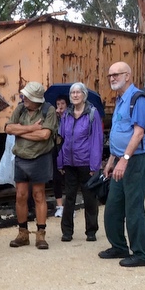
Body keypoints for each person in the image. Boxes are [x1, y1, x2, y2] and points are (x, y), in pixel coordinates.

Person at [99, 61, 145, 267]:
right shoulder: (120, 100)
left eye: (116, 74)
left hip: (136, 160)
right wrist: (112, 160)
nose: (112, 78)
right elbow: (118, 133)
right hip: (121, 160)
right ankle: (119, 246)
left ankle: (141, 254)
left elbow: (138, 133)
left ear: (128, 76)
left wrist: (125, 159)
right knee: (113, 206)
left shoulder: (137, 99)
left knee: (133, 207)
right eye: (110, 75)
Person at [5, 81, 58, 250]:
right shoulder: (20, 108)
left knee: (38, 194)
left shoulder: (48, 110)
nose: (24, 98)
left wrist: (20, 130)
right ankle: (23, 233)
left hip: (40, 157)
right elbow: (8, 128)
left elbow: (44, 135)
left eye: (27, 96)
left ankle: (40, 234)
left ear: (36, 98)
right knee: (20, 195)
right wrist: (31, 128)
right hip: (21, 157)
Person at [57, 82, 104, 242]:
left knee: (89, 197)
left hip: (85, 162)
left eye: (78, 92)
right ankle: (67, 232)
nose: (75, 95)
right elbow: (61, 139)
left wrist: (94, 165)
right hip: (69, 163)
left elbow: (97, 139)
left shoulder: (92, 113)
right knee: (69, 197)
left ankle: (91, 231)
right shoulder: (66, 115)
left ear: (84, 95)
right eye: (73, 93)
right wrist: (60, 162)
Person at [52, 95, 68, 218]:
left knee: (69, 180)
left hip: (67, 151)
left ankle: (68, 207)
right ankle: (59, 206)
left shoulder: (71, 118)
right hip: (56, 150)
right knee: (56, 178)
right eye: (58, 104)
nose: (60, 107)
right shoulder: (54, 118)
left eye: (62, 103)